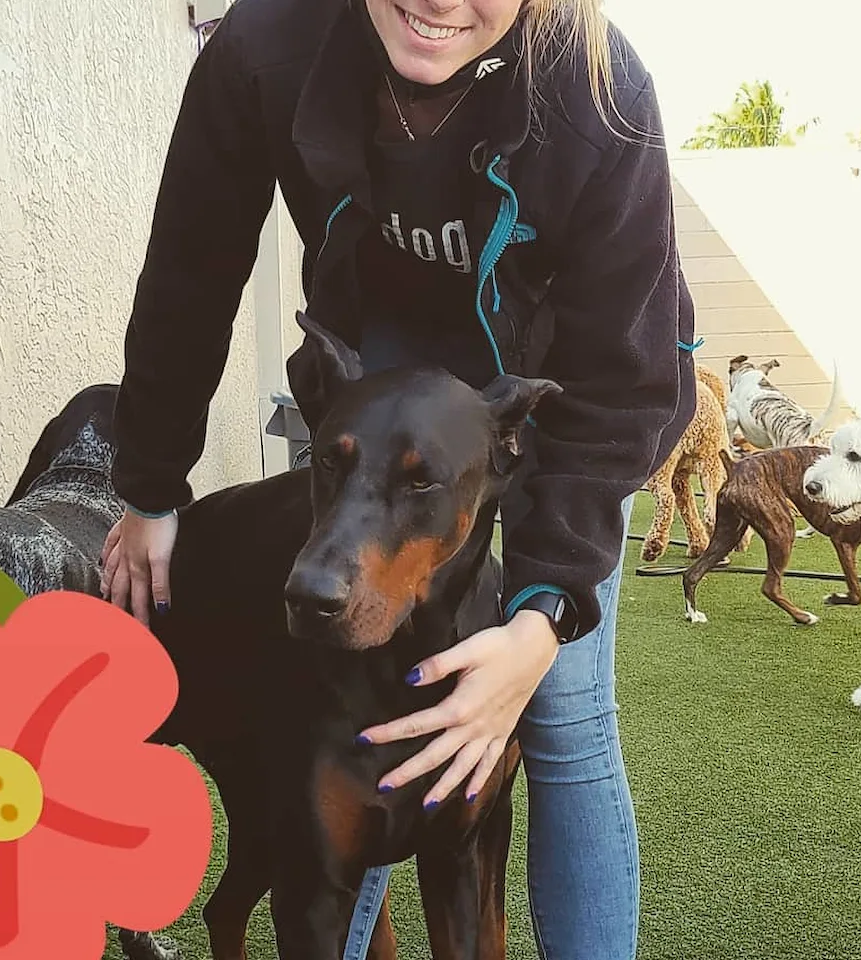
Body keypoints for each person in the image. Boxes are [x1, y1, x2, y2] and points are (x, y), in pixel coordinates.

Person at [100, 0, 696, 956]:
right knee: (354, 683)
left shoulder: (599, 94)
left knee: (566, 710)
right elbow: (191, 266)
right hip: (383, 388)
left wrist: (543, 619)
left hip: (555, 386)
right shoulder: (266, 47)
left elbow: (621, 383)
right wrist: (152, 486)